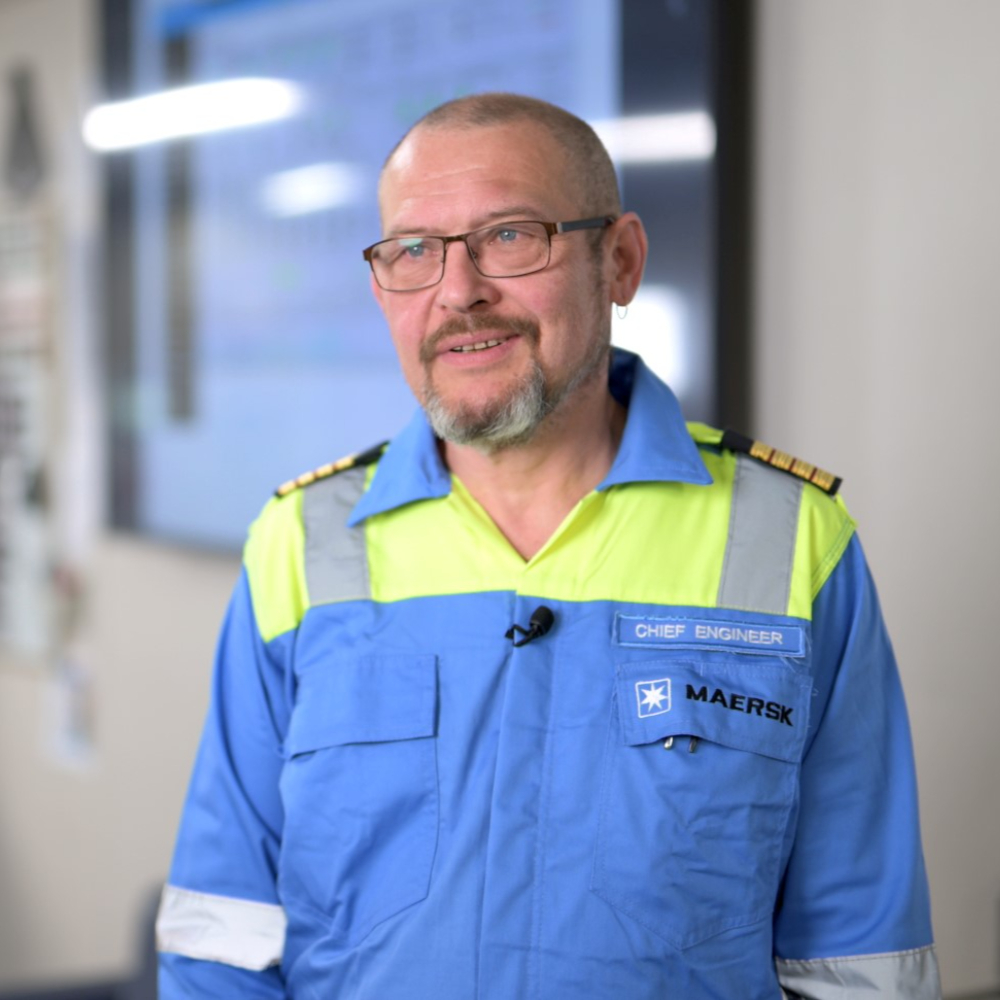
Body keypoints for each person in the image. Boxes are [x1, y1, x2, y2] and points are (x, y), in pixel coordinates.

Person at [155, 93, 941, 999]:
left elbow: (857, 961)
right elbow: (224, 937)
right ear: (382, 287)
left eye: (510, 236)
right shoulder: (299, 542)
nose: (458, 292)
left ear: (621, 260)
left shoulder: (793, 540)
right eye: (414, 251)